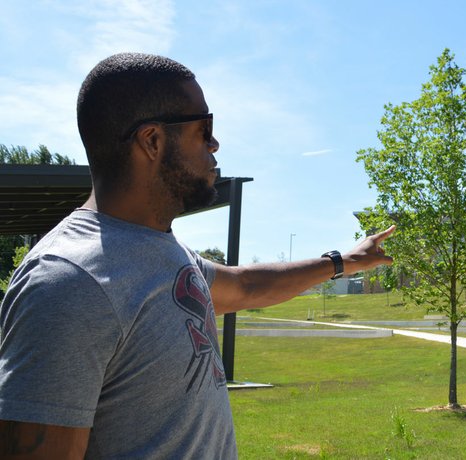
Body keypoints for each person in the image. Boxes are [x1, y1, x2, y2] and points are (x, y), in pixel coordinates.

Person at [0, 52, 394, 459]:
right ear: (152, 141)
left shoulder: (163, 249)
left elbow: (245, 286)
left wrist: (343, 262)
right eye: (204, 128)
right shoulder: (68, 282)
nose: (215, 143)